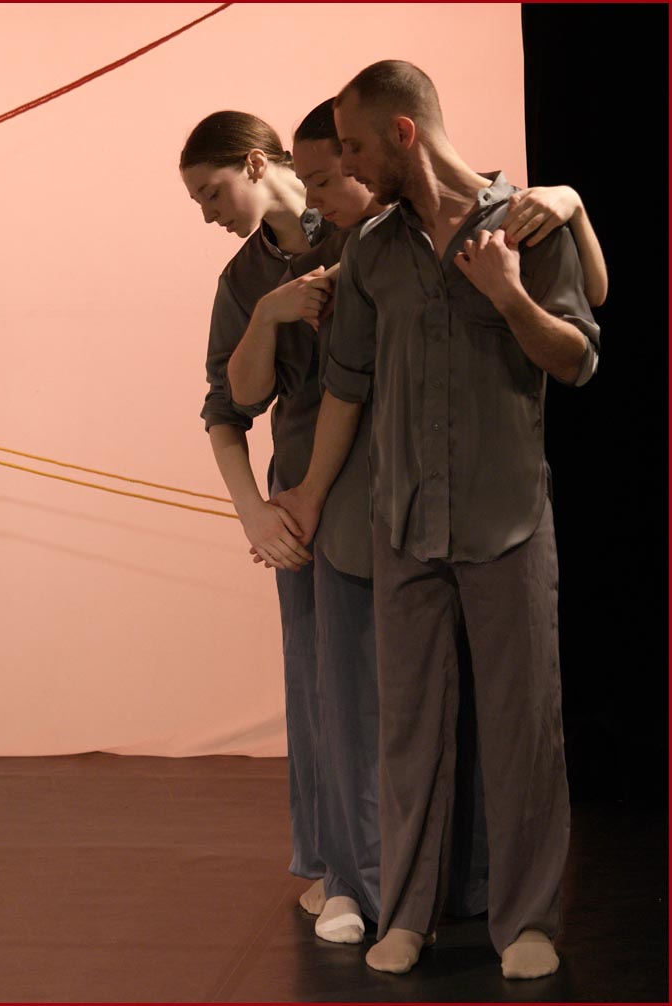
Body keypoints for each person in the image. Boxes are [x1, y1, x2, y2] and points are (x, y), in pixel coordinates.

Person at [227, 100, 608, 947]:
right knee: (398, 726)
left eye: (351, 150)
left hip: (504, 513)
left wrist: (522, 278)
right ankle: (397, 913)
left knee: (517, 727)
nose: (345, 170)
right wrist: (306, 495)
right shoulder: (368, 248)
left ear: (402, 133)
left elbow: (580, 354)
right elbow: (340, 384)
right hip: (396, 519)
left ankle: (522, 922)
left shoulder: (523, 221)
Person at [179, 110, 328, 916]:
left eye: (212, 192)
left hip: (395, 478)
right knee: (316, 681)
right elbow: (227, 406)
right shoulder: (243, 281)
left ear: (255, 162)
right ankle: (337, 864)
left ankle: (424, 866)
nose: (209, 214)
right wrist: (254, 516)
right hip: (300, 493)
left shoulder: (366, 228)